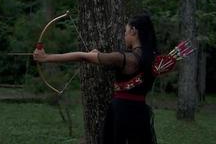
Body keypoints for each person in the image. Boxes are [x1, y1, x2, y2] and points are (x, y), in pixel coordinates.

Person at [33, 14, 158, 144]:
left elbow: (82, 57)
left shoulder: (123, 58)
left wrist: (46, 58)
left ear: (133, 31)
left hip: (121, 111)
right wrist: (98, 55)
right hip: (140, 112)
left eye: (125, 31)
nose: (124, 35)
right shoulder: (153, 59)